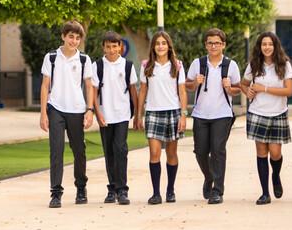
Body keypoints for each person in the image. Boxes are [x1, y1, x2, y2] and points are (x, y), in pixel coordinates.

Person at [39, 20, 94, 208]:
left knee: (79, 151)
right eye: (71, 36)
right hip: (55, 109)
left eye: (78, 38)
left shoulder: (84, 60)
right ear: (63, 36)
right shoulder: (51, 57)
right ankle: (56, 193)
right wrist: (43, 113)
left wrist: (90, 110)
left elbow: (89, 86)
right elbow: (45, 86)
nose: (74, 41)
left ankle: (81, 188)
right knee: (56, 151)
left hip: (77, 110)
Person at [186, 27, 242, 204]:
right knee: (200, 151)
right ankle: (209, 177)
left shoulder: (230, 65)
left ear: (223, 45)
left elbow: (237, 90)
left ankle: (217, 190)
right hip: (200, 114)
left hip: (222, 114)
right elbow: (187, 86)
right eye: (210, 43)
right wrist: (195, 82)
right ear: (205, 45)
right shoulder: (198, 63)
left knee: (218, 151)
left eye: (217, 43)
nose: (213, 46)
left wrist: (229, 87)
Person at [241, 31, 292, 204]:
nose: (267, 47)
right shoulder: (254, 65)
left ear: (275, 46)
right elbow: (243, 84)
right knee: (261, 153)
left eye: (270, 44)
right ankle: (265, 193)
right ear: (260, 46)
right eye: (264, 44)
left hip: (278, 113)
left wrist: (263, 88)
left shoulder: (284, 65)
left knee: (275, 153)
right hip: (257, 113)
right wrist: (247, 90)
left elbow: (288, 91)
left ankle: (276, 176)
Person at [136, 30, 186, 205]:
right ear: (153, 47)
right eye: (157, 43)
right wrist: (138, 114)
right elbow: (142, 90)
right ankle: (156, 193)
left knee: (172, 153)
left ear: (169, 46)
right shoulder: (146, 66)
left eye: (164, 43)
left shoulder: (177, 66)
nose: (160, 46)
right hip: (153, 112)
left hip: (173, 112)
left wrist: (183, 115)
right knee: (154, 153)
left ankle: (170, 190)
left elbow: (182, 91)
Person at [91, 31, 139, 205]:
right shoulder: (97, 66)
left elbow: (134, 92)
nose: (111, 50)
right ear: (103, 47)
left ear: (121, 47)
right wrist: (98, 114)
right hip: (105, 115)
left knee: (120, 150)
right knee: (109, 152)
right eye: (108, 46)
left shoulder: (127, 66)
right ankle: (112, 189)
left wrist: (137, 115)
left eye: (115, 46)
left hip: (123, 114)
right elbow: (93, 93)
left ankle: (122, 190)